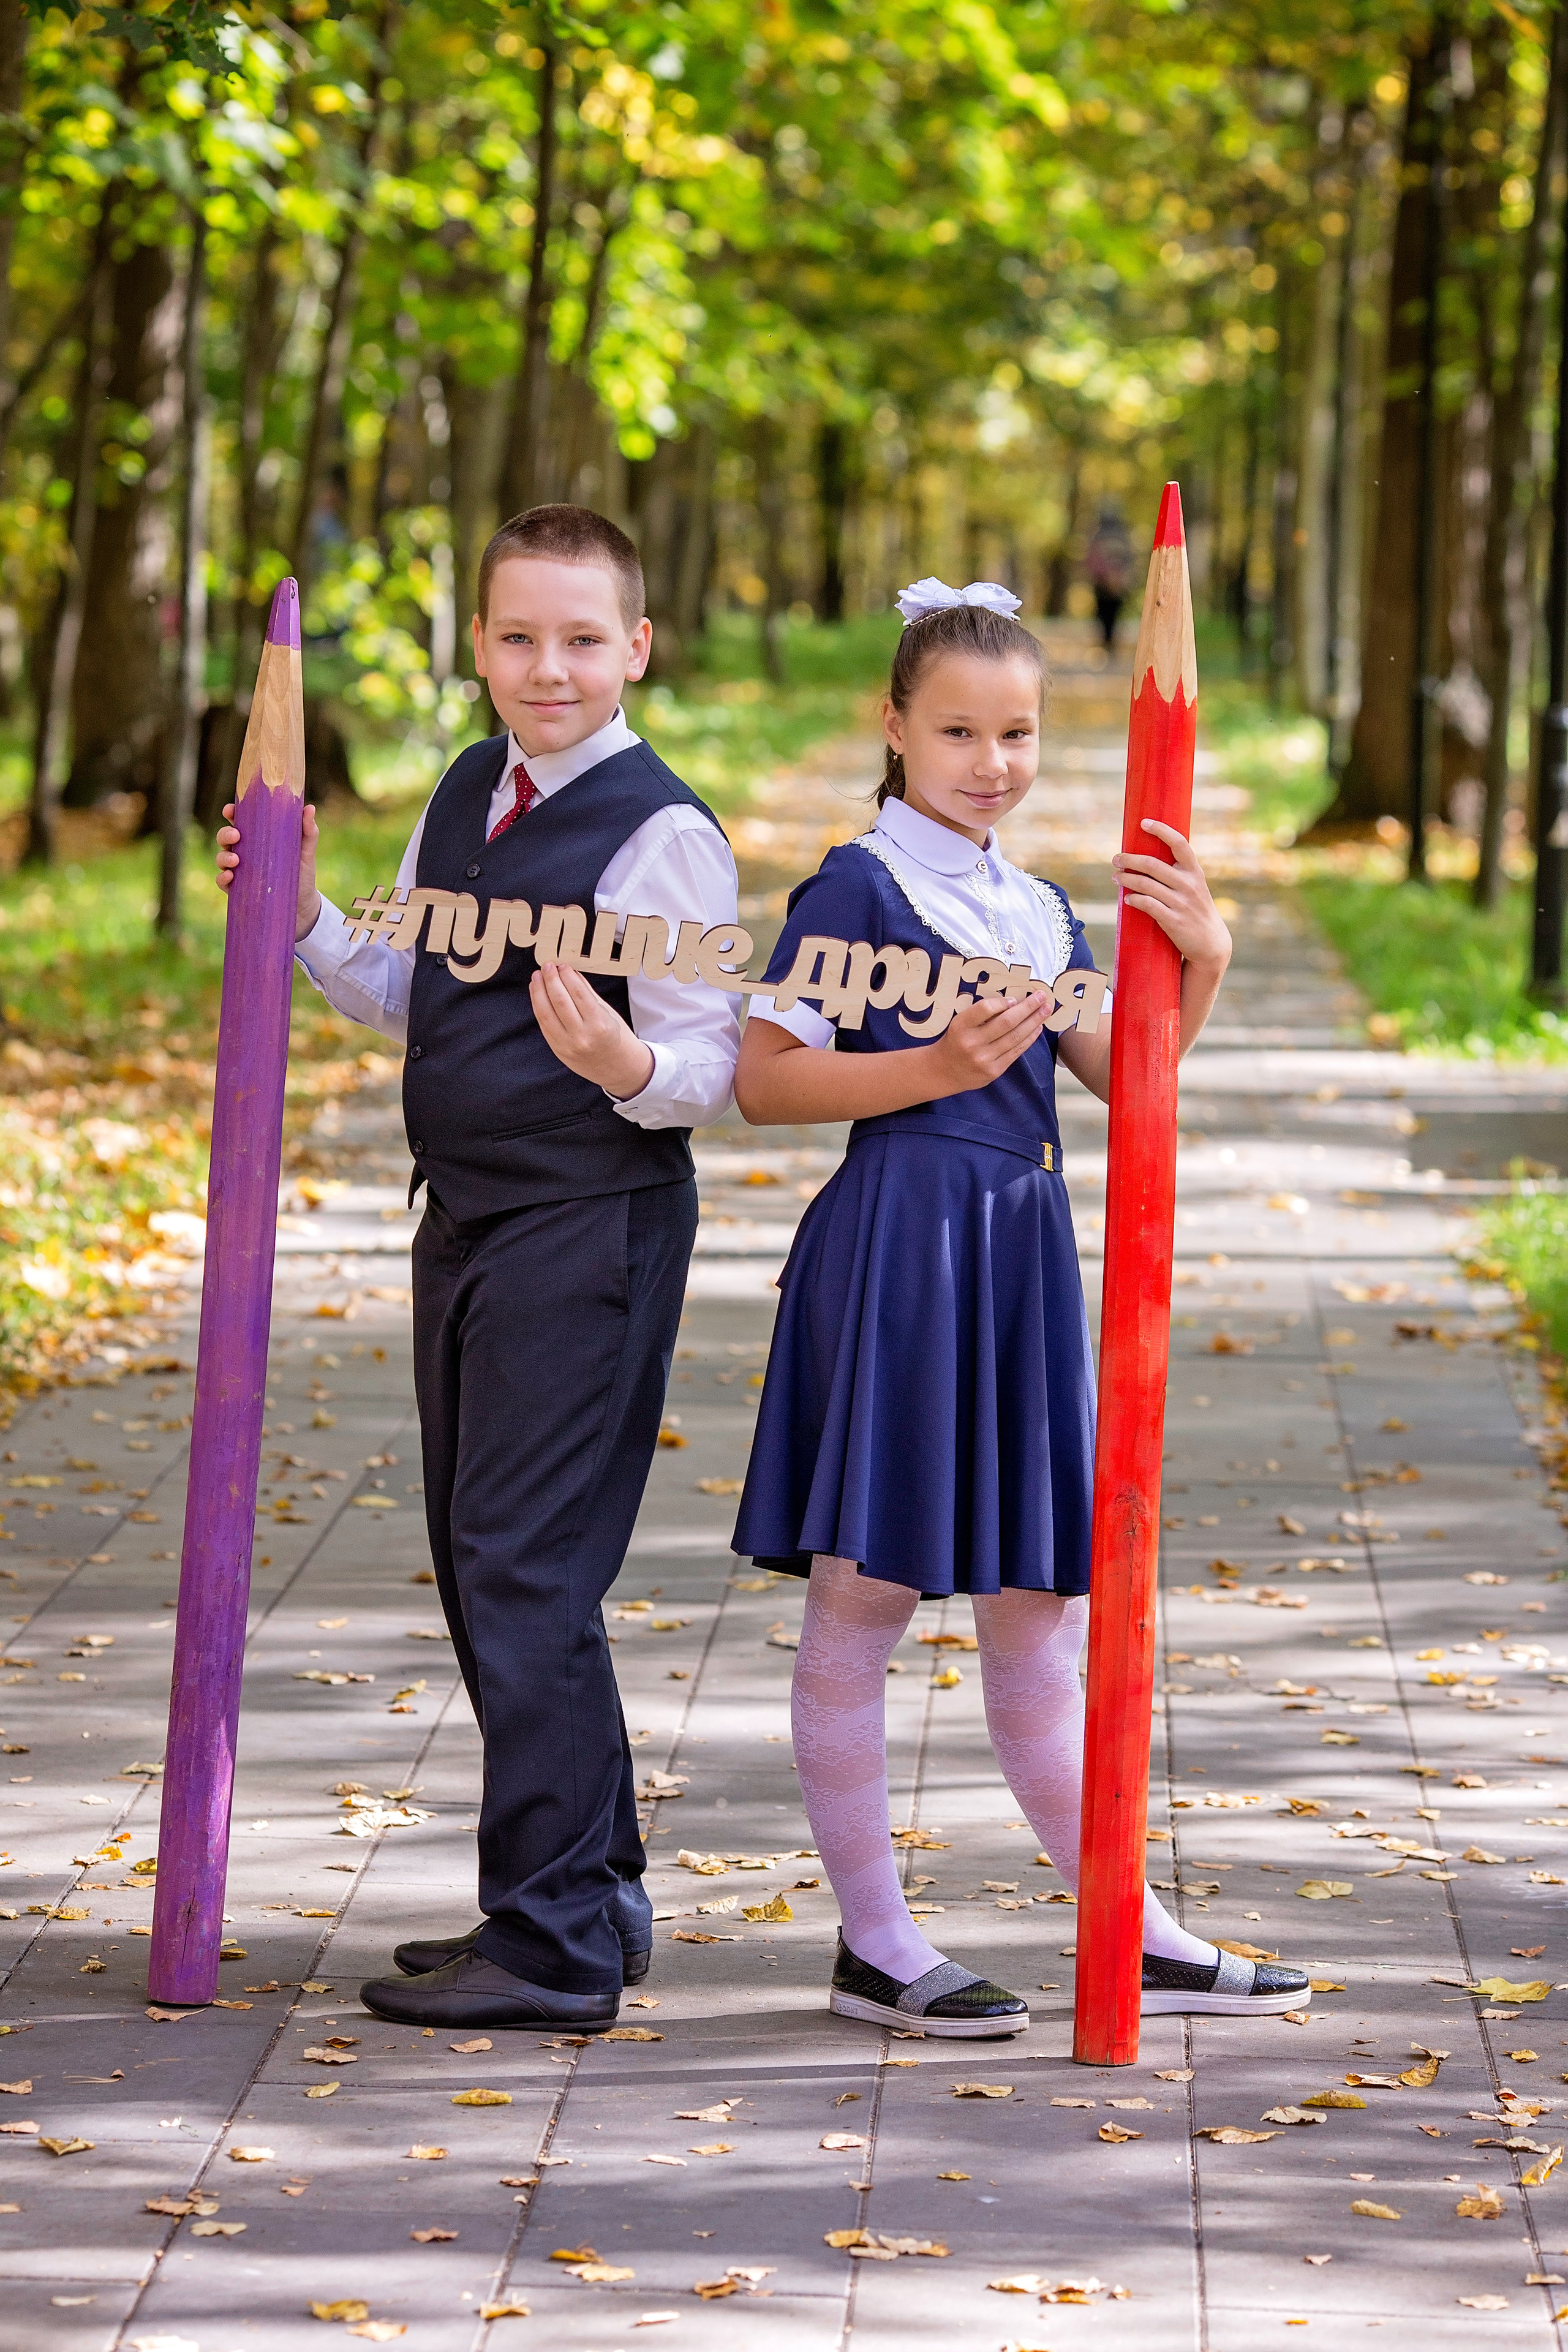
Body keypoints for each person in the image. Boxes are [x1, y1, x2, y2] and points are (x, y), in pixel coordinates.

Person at [730, 577, 1310, 2035]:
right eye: (957, 731)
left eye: (1016, 731)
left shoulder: (1037, 905)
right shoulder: (853, 886)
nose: (990, 760)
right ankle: (874, 1938)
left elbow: (1134, 1088)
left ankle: (1133, 1922)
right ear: (893, 729)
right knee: (861, 1594)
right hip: (896, 1253)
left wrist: (1209, 963)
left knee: (1034, 1608)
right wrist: (923, 1070)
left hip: (1013, 1256)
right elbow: (761, 1078)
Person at [216, 505, 741, 2031]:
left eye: (582, 638)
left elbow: (706, 1064)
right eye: (517, 636)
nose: (548, 667)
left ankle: (555, 1941)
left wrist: (623, 1051)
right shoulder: (464, 794)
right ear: (478, 646)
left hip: (592, 1222)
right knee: (490, 1561)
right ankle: (594, 1888)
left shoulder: (662, 833)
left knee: (522, 1562)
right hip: (468, 1215)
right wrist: (303, 905)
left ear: (636, 647)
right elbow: (410, 990)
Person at [1084, 505, 1134, 652]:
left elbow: (1091, 559)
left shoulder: (1098, 535)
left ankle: (1108, 640)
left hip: (1102, 581)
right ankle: (1109, 640)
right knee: (1113, 612)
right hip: (1117, 582)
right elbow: (1129, 559)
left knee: (1104, 611)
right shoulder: (1123, 535)